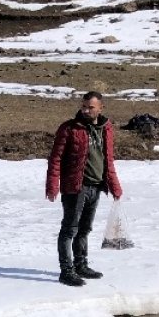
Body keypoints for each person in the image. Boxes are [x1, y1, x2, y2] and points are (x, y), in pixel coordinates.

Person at [45, 91, 123, 287]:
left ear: (100, 108)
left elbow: (108, 160)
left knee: (85, 229)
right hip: (75, 187)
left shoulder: (106, 129)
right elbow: (55, 158)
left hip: (96, 187)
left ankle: (81, 265)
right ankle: (66, 271)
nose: (86, 110)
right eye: (84, 106)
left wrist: (114, 185)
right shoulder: (69, 128)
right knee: (69, 229)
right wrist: (53, 184)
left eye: (91, 107)